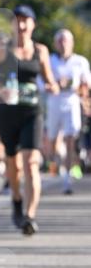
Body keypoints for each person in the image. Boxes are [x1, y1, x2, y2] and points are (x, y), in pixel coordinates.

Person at [0, 6, 58, 235]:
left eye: (26, 21)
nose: (21, 26)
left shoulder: (40, 51)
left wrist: (52, 87)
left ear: (33, 24)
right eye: (17, 21)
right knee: (13, 165)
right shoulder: (2, 49)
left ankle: (29, 216)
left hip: (32, 113)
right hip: (7, 114)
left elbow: (48, 80)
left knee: (32, 162)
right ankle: (16, 200)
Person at [43, 29, 90, 194]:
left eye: (66, 41)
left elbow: (87, 84)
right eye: (60, 41)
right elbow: (42, 83)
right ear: (56, 43)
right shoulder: (49, 60)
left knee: (71, 138)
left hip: (72, 103)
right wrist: (54, 85)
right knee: (53, 141)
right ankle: (61, 163)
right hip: (54, 103)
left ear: (72, 43)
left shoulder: (80, 61)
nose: (63, 44)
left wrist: (80, 90)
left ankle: (67, 178)